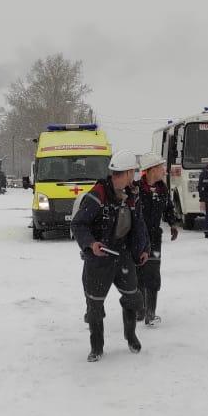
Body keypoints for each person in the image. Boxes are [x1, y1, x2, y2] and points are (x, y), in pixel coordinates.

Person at [70, 151, 150, 361]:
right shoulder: (97, 195)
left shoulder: (132, 195)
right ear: (122, 174)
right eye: (132, 172)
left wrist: (143, 248)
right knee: (95, 305)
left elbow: (139, 225)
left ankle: (130, 335)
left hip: (123, 256)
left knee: (133, 298)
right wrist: (91, 244)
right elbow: (78, 224)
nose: (134, 176)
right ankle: (96, 347)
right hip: (99, 259)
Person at [136, 152, 181, 326]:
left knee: (153, 275)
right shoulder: (135, 189)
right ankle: (139, 309)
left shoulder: (162, 188)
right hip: (137, 239)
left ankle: (150, 313)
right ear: (151, 170)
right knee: (138, 275)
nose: (164, 170)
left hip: (154, 238)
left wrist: (172, 224)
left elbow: (168, 208)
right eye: (161, 167)